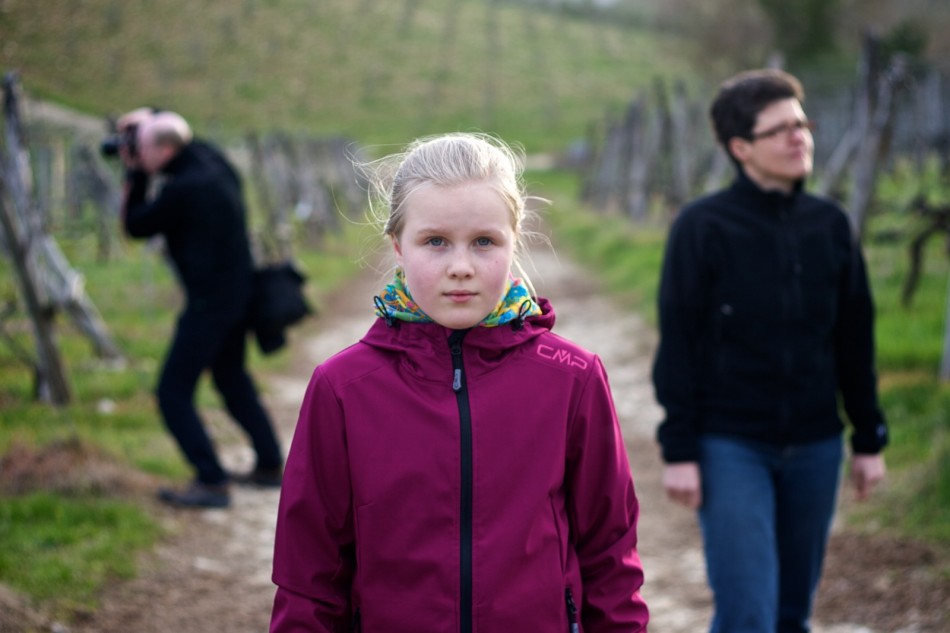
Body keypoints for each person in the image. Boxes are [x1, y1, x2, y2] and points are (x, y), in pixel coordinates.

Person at [269, 132, 649, 632]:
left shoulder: (572, 378)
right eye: (435, 242)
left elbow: (610, 553)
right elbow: (309, 573)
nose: (461, 268)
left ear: (515, 242)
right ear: (397, 247)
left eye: (484, 242)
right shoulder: (343, 388)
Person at [652, 69, 889, 633]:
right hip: (731, 444)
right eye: (780, 128)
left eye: (802, 123)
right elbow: (678, 342)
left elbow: (855, 339)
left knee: (791, 615)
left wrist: (868, 436)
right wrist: (679, 448)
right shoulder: (702, 228)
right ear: (741, 148)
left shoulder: (830, 225)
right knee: (747, 616)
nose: (799, 136)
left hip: (816, 446)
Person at [121, 111, 284, 508]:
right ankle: (269, 465)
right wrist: (151, 118)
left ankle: (211, 481)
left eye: (141, 149)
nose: (136, 154)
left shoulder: (185, 189)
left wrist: (137, 176)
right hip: (240, 293)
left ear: (165, 149)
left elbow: (136, 225)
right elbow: (177, 132)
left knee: (172, 391)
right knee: (231, 379)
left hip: (211, 302)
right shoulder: (213, 162)